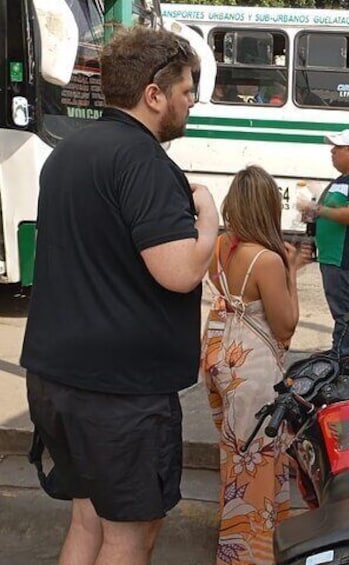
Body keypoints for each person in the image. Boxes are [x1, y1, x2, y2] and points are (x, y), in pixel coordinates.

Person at [20, 28, 217, 565]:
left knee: (88, 521)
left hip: (57, 380)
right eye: (185, 88)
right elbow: (178, 271)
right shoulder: (145, 161)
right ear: (153, 95)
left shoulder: (68, 153)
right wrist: (209, 219)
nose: (191, 100)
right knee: (130, 537)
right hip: (119, 396)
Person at [201, 166, 309, 565]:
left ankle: (253, 538)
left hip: (220, 359)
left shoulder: (219, 247)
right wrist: (293, 273)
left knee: (235, 453)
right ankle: (248, 555)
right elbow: (285, 326)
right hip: (253, 372)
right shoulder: (265, 259)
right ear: (268, 207)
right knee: (258, 463)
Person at [301, 129, 349, 360]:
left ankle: (344, 356)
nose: (332, 152)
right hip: (331, 254)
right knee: (340, 307)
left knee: (343, 309)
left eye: (338, 148)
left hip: (344, 256)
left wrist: (318, 210)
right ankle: (340, 350)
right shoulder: (341, 181)